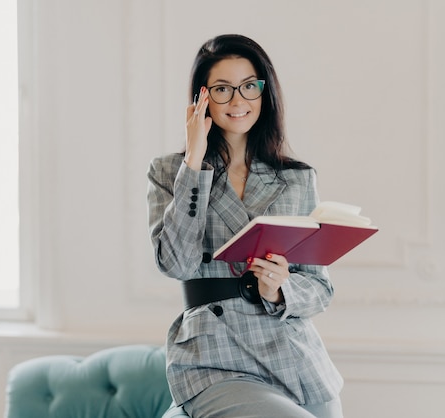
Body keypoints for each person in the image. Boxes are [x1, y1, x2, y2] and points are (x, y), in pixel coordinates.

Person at [147, 34, 344, 418]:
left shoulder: (297, 178)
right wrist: (194, 162)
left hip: (295, 359)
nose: (238, 100)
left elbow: (319, 288)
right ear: (202, 97)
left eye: (249, 86)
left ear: (263, 93)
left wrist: (279, 288)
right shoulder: (170, 171)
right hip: (216, 357)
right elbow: (176, 263)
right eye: (222, 89)